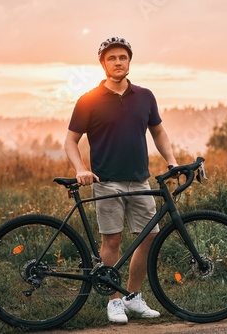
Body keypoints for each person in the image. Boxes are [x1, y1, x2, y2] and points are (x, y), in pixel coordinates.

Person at [64, 37, 178, 324]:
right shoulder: (88, 99)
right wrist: (81, 169)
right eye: (112, 58)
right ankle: (114, 301)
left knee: (149, 237)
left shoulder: (145, 96)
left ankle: (133, 296)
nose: (118, 62)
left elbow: (159, 133)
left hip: (140, 180)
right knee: (112, 239)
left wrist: (172, 161)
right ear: (103, 64)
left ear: (129, 61)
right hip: (107, 181)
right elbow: (70, 141)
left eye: (122, 57)